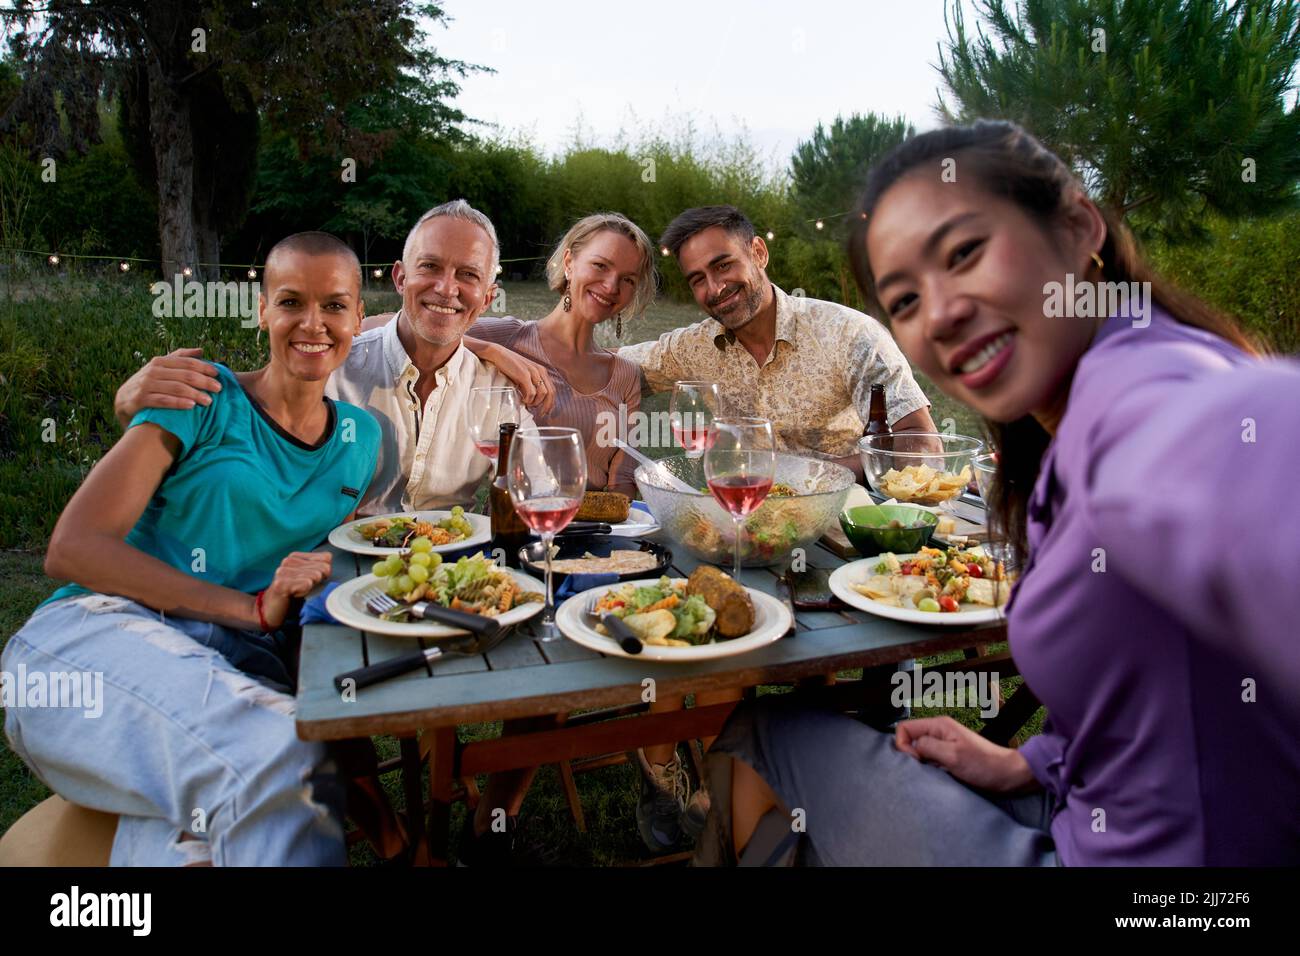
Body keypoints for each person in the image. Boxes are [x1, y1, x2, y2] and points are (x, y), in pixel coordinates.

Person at [696, 121, 1300, 866]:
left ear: (1079, 227)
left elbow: (1241, 458)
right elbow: (1138, 697)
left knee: (765, 730)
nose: (941, 312)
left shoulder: (1140, 402)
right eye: (907, 299)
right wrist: (1028, 762)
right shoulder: (1062, 427)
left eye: (965, 253)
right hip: (1082, 806)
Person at [2, 232, 382, 866]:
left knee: (199, 853)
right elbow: (74, 548)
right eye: (291, 302)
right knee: (289, 758)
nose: (313, 324)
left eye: (336, 306)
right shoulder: (200, 397)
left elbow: (316, 557)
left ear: (359, 319)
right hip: (99, 639)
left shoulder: (361, 438)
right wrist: (248, 607)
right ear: (262, 310)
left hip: (232, 676)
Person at [114, 199, 535, 515]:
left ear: (488, 297)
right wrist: (132, 410)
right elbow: (237, 427)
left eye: (468, 275)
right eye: (430, 267)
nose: (446, 288)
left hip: (446, 572)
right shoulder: (328, 363)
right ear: (400, 277)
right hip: (329, 572)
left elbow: (539, 489)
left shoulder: (499, 391)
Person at [618, 204, 938, 478]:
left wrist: (802, 479)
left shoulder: (850, 335)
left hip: (845, 529)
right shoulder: (694, 348)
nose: (715, 288)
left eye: (723, 265)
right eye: (698, 279)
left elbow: (922, 443)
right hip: (742, 524)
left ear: (758, 252)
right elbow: (603, 367)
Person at [364, 211, 654, 498]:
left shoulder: (625, 375)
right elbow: (390, 326)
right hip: (513, 531)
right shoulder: (510, 337)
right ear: (569, 262)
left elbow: (623, 478)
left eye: (628, 279)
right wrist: (493, 351)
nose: (611, 286)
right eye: (601, 266)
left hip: (593, 533)